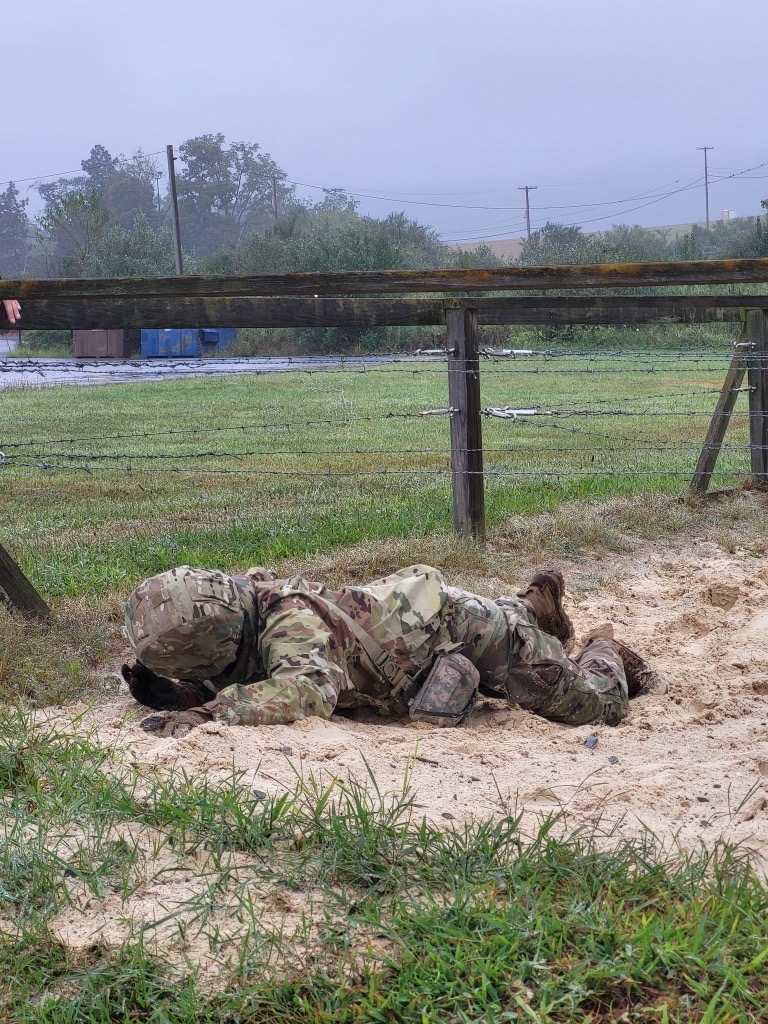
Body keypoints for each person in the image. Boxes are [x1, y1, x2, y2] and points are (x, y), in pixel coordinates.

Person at [123, 563, 666, 739]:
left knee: (595, 706)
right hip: (416, 636)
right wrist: (180, 695)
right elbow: (255, 675)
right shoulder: (246, 620)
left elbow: (304, 690)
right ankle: (533, 605)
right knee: (516, 622)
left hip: (458, 628)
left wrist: (207, 711)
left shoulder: (288, 622)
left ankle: (603, 647)